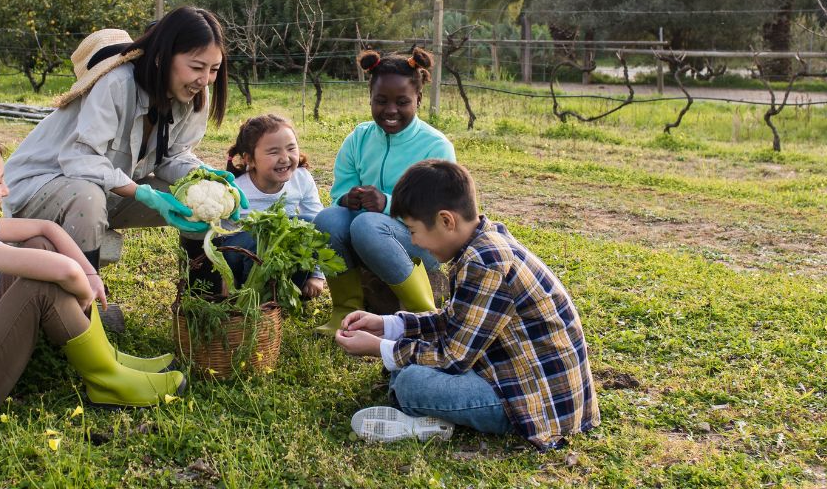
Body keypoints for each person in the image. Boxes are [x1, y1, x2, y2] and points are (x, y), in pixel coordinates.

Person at [0, 128, 185, 411]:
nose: (5, 191)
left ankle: (109, 359)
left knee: (39, 245)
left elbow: (46, 228)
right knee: (41, 283)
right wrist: (85, 290)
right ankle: (107, 380)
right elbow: (65, 272)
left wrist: (92, 274)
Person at [4, 7, 247, 324]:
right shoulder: (118, 84)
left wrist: (203, 176)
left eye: (214, 69)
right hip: (41, 188)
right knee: (87, 196)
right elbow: (79, 159)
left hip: (101, 188)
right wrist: (142, 193)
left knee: (202, 200)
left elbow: (172, 156)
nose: (205, 80)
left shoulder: (192, 95)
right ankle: (83, 318)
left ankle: (203, 307)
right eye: (197, 67)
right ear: (162, 58)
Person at [334, 160, 599, 450]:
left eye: (412, 231)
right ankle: (428, 413)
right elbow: (455, 319)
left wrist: (378, 348)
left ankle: (424, 420)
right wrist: (389, 325)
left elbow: (453, 357)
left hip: (534, 403)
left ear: (447, 221)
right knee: (405, 365)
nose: (414, 242)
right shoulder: (483, 244)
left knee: (410, 383)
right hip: (510, 371)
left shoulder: (486, 262)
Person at [312, 47, 454, 334]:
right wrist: (347, 197)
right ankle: (345, 310)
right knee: (326, 219)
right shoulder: (359, 138)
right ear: (370, 99)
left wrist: (388, 203)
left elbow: (437, 214)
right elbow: (339, 189)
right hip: (371, 236)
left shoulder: (435, 147)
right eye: (381, 101)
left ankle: (422, 314)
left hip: (421, 246)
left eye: (402, 102)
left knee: (368, 223)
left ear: (419, 99)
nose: (390, 110)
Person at [197, 113, 327, 296]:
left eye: (291, 148)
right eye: (274, 152)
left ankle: (288, 293)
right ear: (249, 159)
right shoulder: (235, 188)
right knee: (258, 240)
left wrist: (316, 274)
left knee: (311, 223)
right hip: (240, 253)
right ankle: (252, 296)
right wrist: (224, 277)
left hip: (279, 254)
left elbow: (319, 225)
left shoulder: (301, 178)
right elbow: (216, 236)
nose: (285, 158)